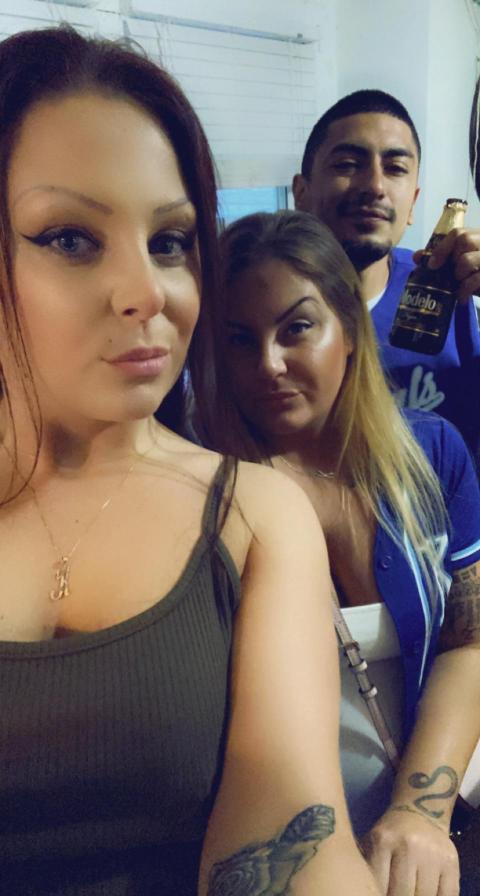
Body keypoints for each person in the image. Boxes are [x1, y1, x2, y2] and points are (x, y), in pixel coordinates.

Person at [0, 26, 381, 896]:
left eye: (170, 241)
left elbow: (298, 836)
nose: (150, 291)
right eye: (70, 237)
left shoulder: (252, 515)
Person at [202, 208, 480, 896]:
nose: (268, 364)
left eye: (297, 327)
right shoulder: (203, 491)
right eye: (238, 339)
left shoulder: (430, 454)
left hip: (434, 840)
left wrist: (421, 811)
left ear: (351, 330)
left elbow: (469, 636)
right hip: (286, 857)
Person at [292, 89, 480, 461]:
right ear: (302, 192)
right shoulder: (265, 307)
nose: (375, 186)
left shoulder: (447, 287)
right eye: (347, 164)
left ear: (412, 204)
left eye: (395, 169)